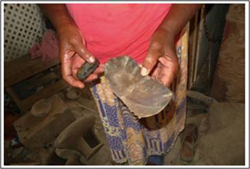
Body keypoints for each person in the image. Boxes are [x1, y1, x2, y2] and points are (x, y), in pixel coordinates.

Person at [40, 4, 201, 165]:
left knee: (160, 116)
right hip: (99, 61)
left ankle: (157, 153)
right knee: (123, 123)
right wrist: (62, 21)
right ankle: (137, 155)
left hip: (159, 49)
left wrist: (168, 30)